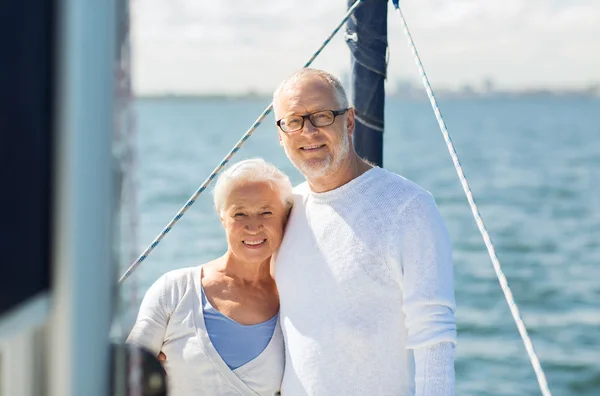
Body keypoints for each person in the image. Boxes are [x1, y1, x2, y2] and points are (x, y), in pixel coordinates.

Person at [272, 68, 457, 395]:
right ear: (281, 135)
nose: (309, 131)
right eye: (294, 120)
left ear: (349, 121)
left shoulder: (408, 207)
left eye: (322, 115)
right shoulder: (287, 208)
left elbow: (434, 338)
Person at [126, 158, 294, 396]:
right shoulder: (175, 289)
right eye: (240, 214)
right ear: (221, 216)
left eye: (266, 212)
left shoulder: (293, 303)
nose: (253, 226)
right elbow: (128, 374)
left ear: (284, 216)